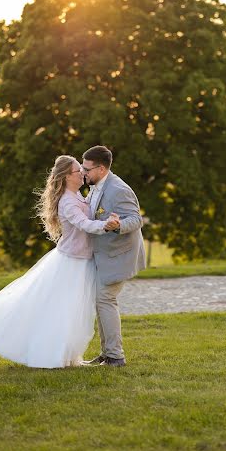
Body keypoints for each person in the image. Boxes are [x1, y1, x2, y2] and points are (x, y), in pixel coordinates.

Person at [0, 155, 119, 369]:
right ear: (67, 176)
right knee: (62, 310)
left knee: (74, 312)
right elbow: (83, 224)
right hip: (70, 263)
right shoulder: (67, 200)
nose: (83, 174)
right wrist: (106, 226)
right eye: (78, 171)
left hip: (81, 260)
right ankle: (53, 356)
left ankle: (69, 357)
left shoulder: (76, 195)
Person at [81, 145, 146, 368]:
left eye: (87, 169)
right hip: (103, 255)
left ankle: (116, 357)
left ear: (100, 168)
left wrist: (117, 225)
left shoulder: (119, 189)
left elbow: (136, 220)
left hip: (119, 256)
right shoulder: (96, 185)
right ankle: (107, 354)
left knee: (105, 300)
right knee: (101, 302)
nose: (83, 172)